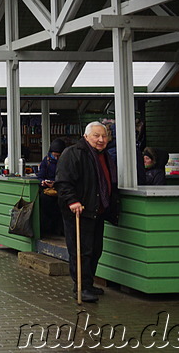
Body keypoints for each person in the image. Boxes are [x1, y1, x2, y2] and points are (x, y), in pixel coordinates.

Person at [54, 122, 119, 303]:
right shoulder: (73, 153)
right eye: (96, 136)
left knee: (95, 250)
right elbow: (63, 181)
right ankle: (80, 288)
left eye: (104, 136)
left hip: (97, 211)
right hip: (79, 211)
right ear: (86, 136)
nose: (100, 140)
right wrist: (72, 200)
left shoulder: (104, 155)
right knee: (81, 251)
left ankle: (88, 284)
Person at [36, 138, 66, 236]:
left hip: (61, 189)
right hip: (49, 190)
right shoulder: (47, 161)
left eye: (58, 155)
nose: (56, 158)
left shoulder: (66, 161)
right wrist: (43, 182)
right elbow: (40, 176)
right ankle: (49, 229)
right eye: (55, 155)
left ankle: (58, 230)